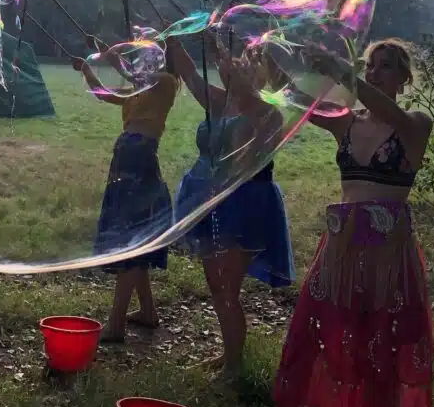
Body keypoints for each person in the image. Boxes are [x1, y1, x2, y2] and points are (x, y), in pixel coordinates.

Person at [243, 38, 434, 407]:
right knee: (309, 331)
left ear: (404, 78)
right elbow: (295, 97)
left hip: (389, 255)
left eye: (386, 66)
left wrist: (342, 73)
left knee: (385, 344)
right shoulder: (345, 122)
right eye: (370, 66)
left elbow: (391, 113)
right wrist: (270, 59)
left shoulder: (415, 123)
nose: (375, 73)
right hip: (341, 248)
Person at [168, 33, 295, 375]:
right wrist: (174, 41)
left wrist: (219, 55)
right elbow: (190, 74)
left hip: (244, 204)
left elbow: (247, 146)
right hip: (211, 199)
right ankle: (228, 354)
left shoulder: (269, 113)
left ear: (265, 75)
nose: (241, 65)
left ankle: (234, 366)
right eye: (241, 61)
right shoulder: (220, 101)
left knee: (227, 288)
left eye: (252, 64)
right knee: (216, 286)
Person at [74, 42, 180, 343]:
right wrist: (87, 69)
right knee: (134, 234)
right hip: (125, 157)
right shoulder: (139, 89)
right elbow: (105, 94)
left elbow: (136, 75)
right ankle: (148, 312)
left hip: (139, 157)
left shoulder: (166, 82)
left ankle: (116, 324)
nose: (143, 58)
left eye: (148, 55)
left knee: (130, 236)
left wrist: (112, 57)